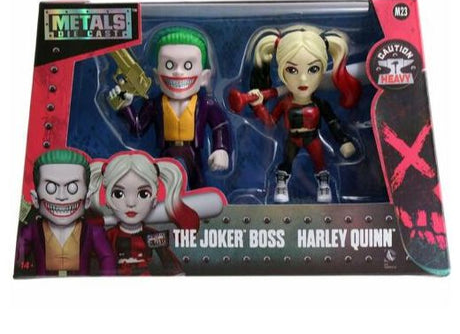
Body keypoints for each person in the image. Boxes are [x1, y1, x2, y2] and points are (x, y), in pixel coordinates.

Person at [248, 25, 361, 203]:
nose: (302, 79)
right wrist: (258, 107)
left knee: (320, 163)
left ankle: (323, 186)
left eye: (313, 69)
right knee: (286, 163)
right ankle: (281, 185)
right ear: (281, 72)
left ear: (322, 71)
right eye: (292, 70)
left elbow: (333, 123)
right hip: (292, 139)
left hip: (313, 138)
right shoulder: (284, 103)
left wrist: (343, 140)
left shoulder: (320, 104)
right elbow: (270, 122)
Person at [109, 26, 232, 189]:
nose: (178, 73)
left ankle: (200, 201)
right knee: (161, 185)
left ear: (205, 77)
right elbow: (137, 129)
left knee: (198, 182)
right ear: (156, 76)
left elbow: (220, 126)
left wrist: (221, 149)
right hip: (166, 152)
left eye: (188, 66)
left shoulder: (206, 105)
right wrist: (126, 107)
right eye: (169, 65)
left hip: (192, 151)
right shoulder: (154, 105)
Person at [88, 152, 199, 275]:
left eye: (143, 194)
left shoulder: (152, 235)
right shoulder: (110, 235)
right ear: (108, 200)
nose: (131, 203)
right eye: (119, 194)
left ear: (154, 200)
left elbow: (167, 258)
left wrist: (177, 275)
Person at [15, 149, 116, 276]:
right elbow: (17, 258)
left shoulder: (93, 232)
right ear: (35, 199)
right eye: (51, 188)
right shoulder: (31, 231)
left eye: (72, 188)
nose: (61, 197)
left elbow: (107, 258)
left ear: (87, 199)